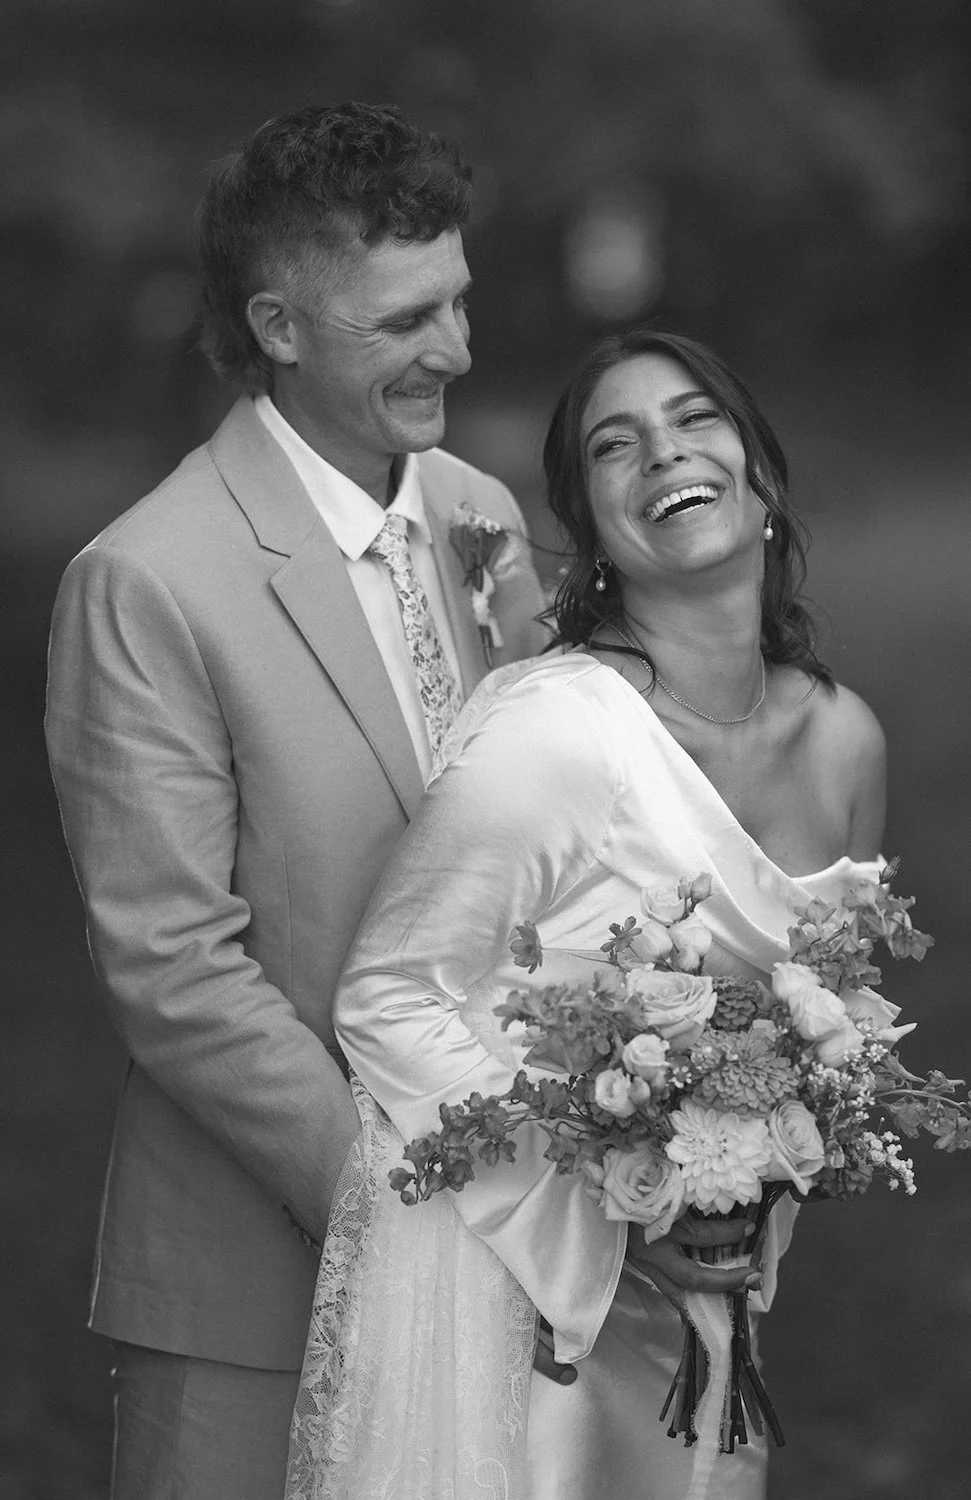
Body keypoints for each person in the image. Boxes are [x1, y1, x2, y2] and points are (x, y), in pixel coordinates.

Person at [287, 329, 887, 1499]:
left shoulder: (846, 738)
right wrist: (610, 1205)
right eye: (615, 445)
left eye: (694, 418)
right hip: (533, 1307)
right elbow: (388, 992)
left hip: (715, 1306)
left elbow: (839, 1019)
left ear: (760, 472)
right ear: (595, 535)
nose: (663, 450)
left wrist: (750, 1183)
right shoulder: (555, 732)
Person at [44, 103, 546, 1500]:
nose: (455, 349)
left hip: (528, 1279)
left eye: (457, 301)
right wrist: (426, 1214)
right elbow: (173, 971)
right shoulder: (147, 581)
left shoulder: (477, 511)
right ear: (277, 325)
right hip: (264, 1290)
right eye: (403, 322)